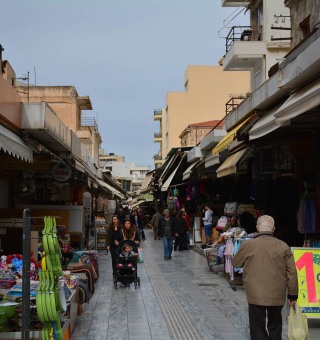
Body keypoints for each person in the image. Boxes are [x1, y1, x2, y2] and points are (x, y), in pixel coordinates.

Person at [232, 215, 298, 340]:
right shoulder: (283, 246)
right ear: (273, 229)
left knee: (257, 326)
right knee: (275, 325)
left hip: (255, 293)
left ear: (257, 228)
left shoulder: (248, 245)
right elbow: (292, 272)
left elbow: (236, 263)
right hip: (277, 293)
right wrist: (293, 294)